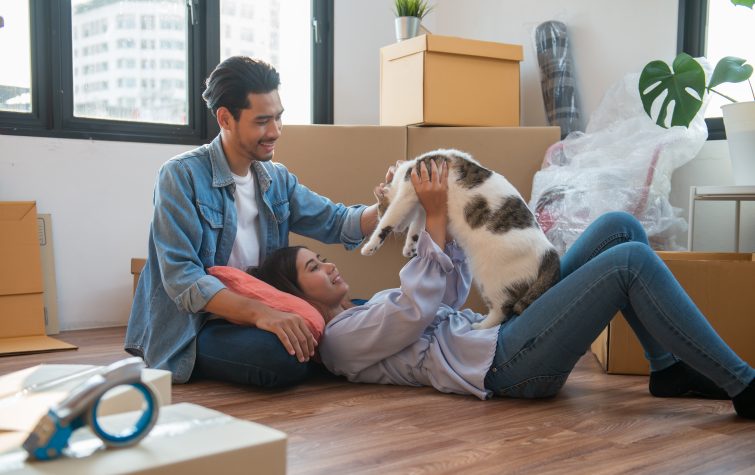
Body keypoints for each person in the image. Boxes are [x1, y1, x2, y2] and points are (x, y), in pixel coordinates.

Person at [251, 160, 755, 419]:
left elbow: (448, 295)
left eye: (321, 257)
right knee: (630, 262)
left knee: (618, 228)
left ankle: (666, 370)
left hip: (504, 328)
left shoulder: (365, 307)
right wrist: (428, 215)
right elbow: (416, 309)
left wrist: (442, 211)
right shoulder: (340, 343)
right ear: (299, 296)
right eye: (314, 268)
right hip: (507, 365)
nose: (329, 267)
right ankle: (744, 385)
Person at [125, 56, 387, 387]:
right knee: (281, 358)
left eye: (278, 118)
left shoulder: (276, 179)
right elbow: (183, 279)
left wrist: (389, 206)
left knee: (371, 311)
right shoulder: (181, 176)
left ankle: (326, 348)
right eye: (262, 121)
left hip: (267, 308)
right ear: (225, 118)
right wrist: (262, 314)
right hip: (202, 323)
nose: (275, 131)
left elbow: (337, 222)